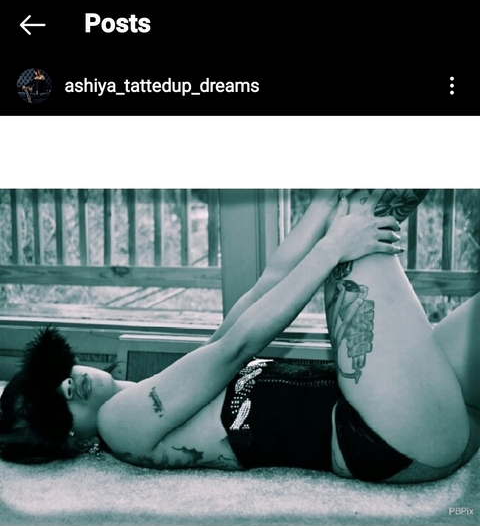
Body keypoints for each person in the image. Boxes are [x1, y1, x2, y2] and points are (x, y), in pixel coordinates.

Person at [1, 189, 479, 483]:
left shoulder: (162, 388)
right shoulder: (118, 425)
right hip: (381, 438)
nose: (67, 386)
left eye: (55, 374)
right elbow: (240, 345)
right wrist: (333, 246)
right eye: (55, 406)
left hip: (421, 421)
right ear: (70, 441)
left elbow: (267, 283)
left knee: (345, 205)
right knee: (359, 212)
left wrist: (323, 200)